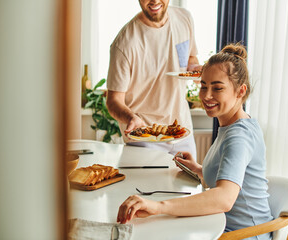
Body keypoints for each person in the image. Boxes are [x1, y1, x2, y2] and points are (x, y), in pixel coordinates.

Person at [116, 43, 273, 240]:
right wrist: (198, 169)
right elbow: (231, 176)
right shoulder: (233, 125)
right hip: (222, 226)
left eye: (217, 88)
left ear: (240, 91)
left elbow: (224, 198)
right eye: (203, 86)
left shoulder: (239, 136)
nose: (206, 96)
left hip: (243, 235)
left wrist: (158, 207)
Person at [106, 0, 201, 159]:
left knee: (190, 183)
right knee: (148, 185)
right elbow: (113, 100)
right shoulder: (124, 43)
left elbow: (191, 59)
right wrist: (131, 118)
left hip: (182, 131)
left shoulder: (184, 19)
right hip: (145, 136)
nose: (155, 1)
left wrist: (196, 70)